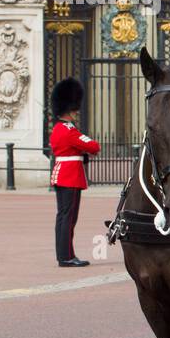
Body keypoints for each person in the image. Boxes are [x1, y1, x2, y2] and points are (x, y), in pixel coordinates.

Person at [49, 78, 100, 267]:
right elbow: (94, 145)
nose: (77, 113)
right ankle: (67, 257)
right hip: (70, 177)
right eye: (75, 109)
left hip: (62, 174)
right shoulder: (69, 130)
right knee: (69, 218)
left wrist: (81, 153)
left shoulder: (57, 129)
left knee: (63, 217)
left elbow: (71, 149)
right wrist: (87, 151)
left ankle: (63, 255)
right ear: (70, 110)